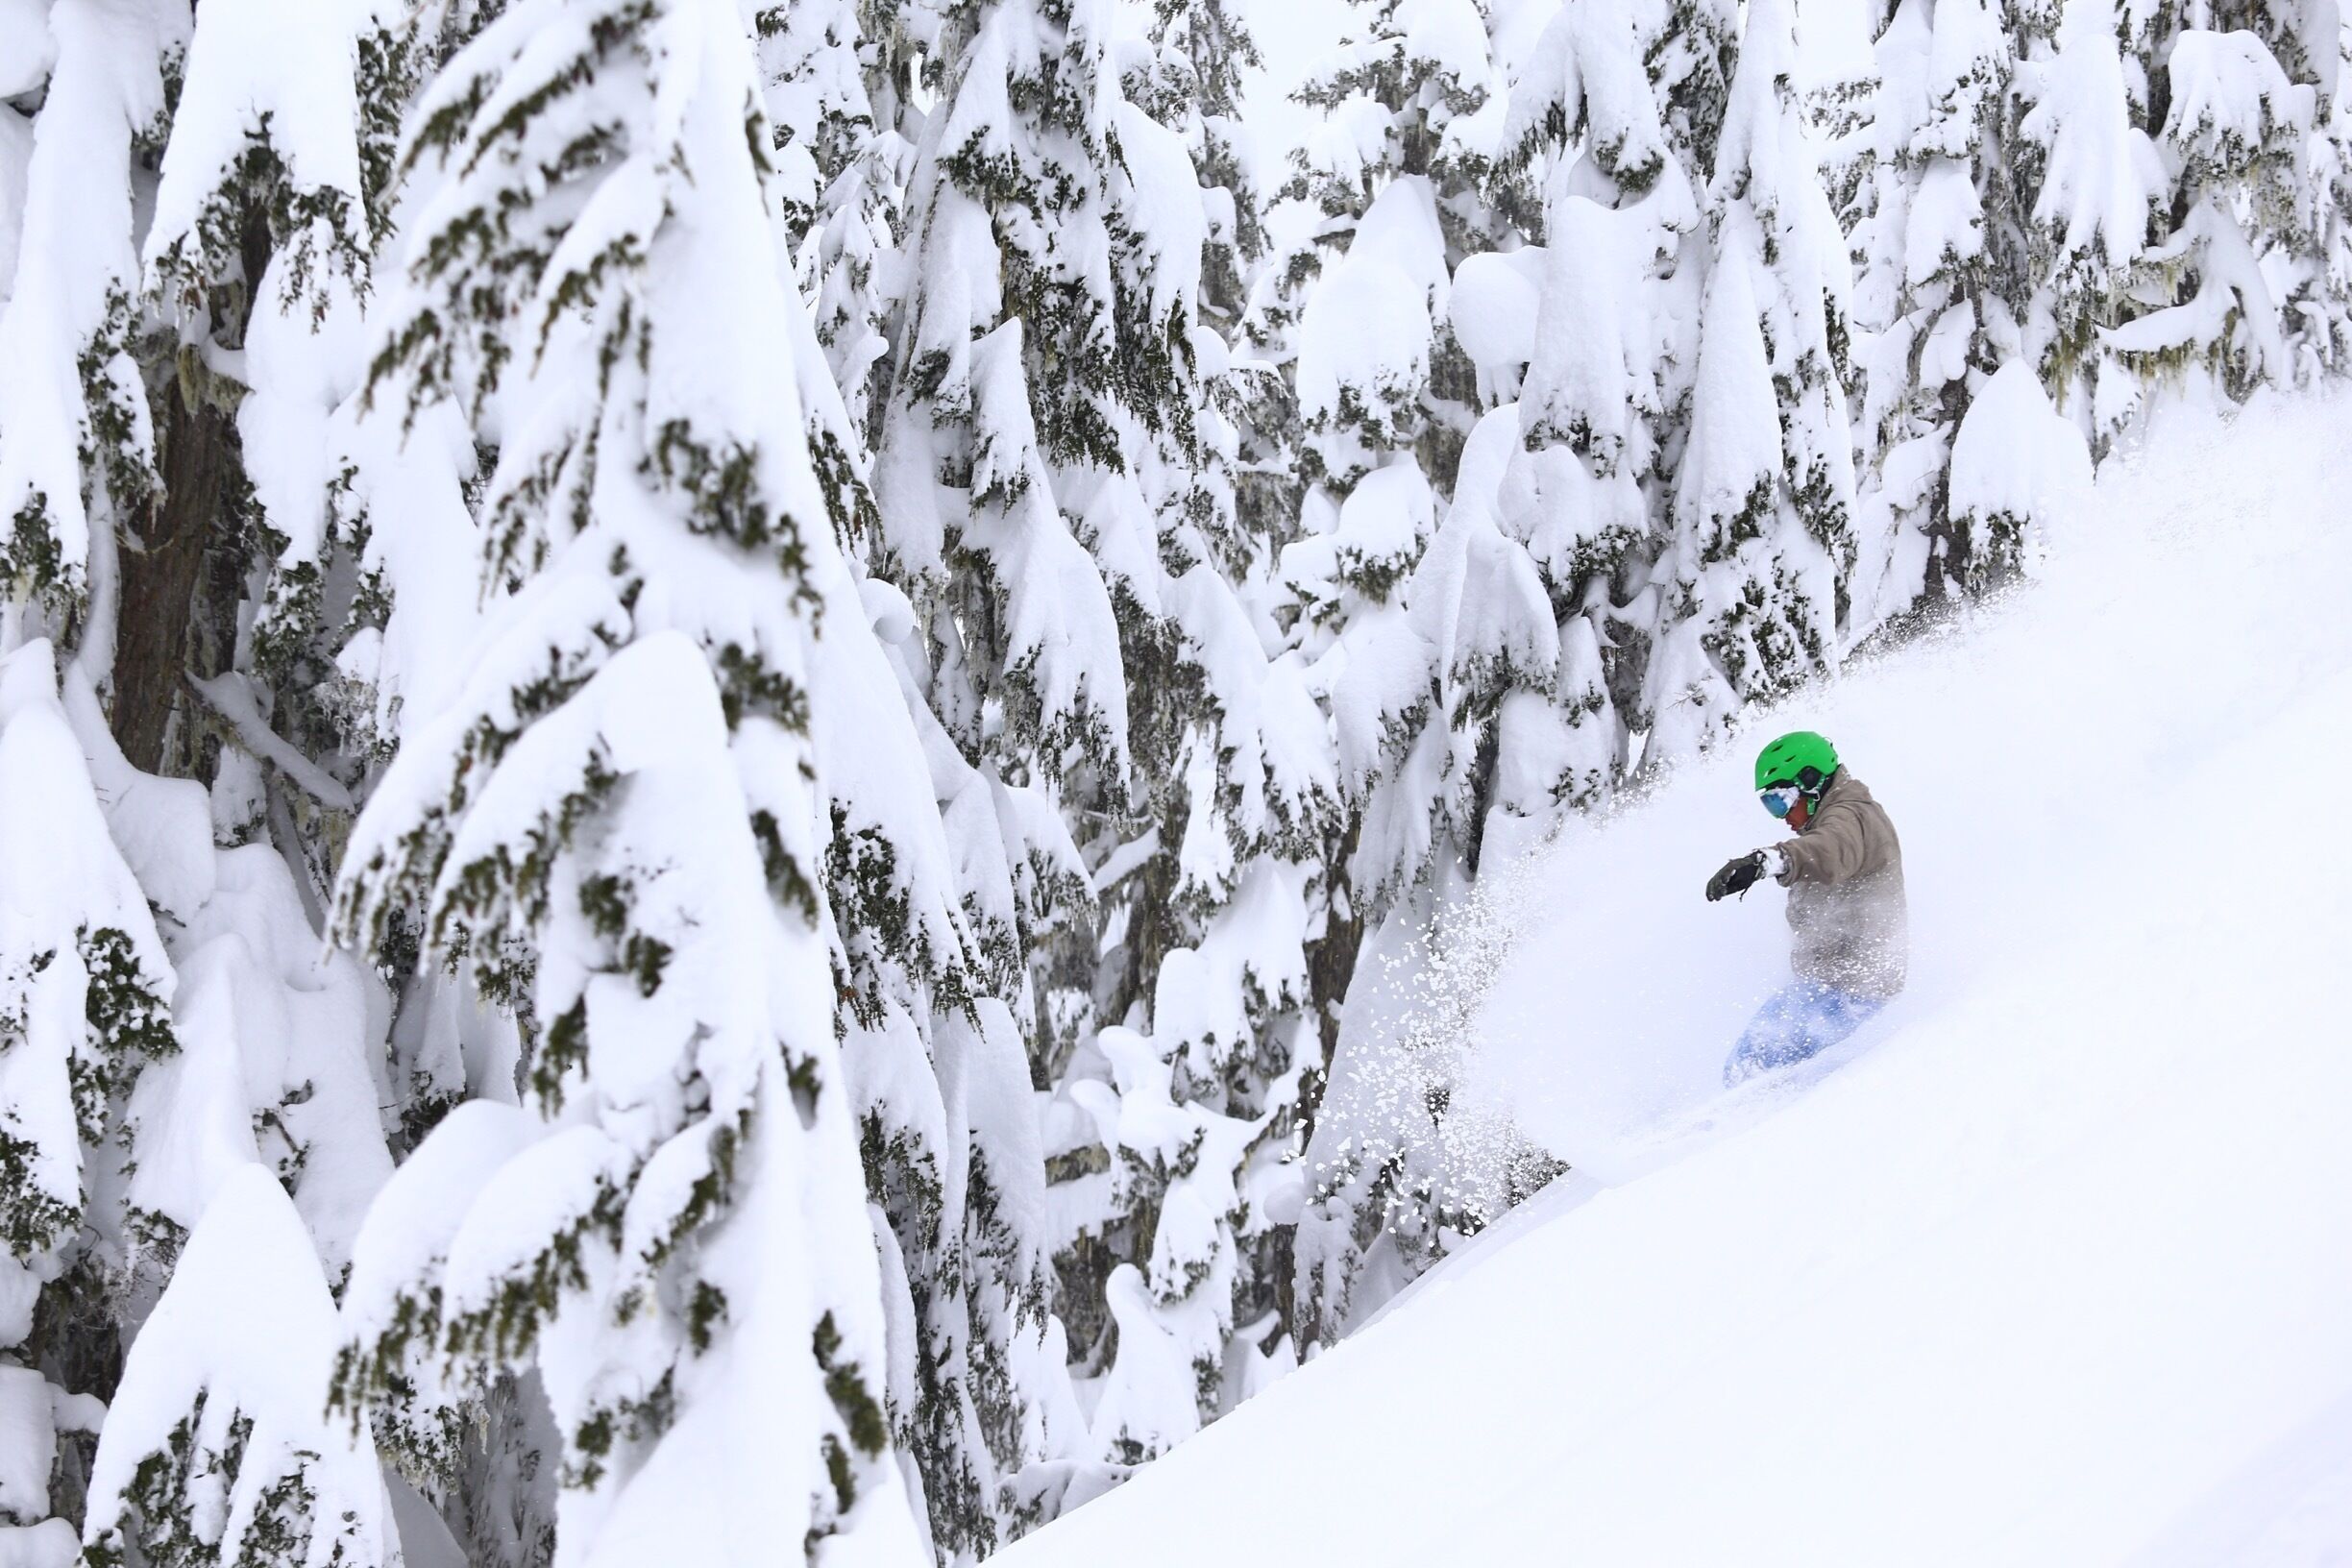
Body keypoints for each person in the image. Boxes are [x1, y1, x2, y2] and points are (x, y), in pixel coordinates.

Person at [1704, 731, 1906, 1086]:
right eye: (1770, 805)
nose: (1781, 816)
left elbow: (1829, 851)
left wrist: (1768, 862)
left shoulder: (1852, 817)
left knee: (1756, 1071)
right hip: (1827, 986)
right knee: (1746, 1068)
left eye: (1780, 800)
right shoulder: (1836, 818)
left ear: (1811, 783)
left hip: (1854, 992)